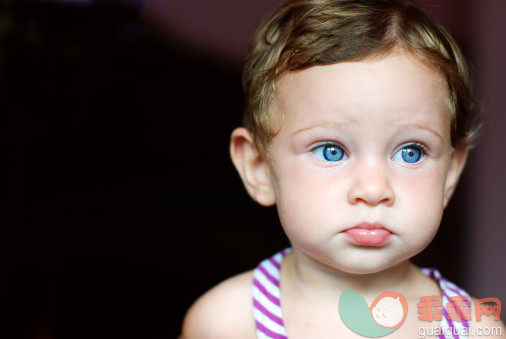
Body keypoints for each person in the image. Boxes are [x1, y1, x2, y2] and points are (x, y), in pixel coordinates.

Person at [181, 0, 506, 338]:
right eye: (331, 151)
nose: (373, 189)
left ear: (450, 173)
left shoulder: (473, 329)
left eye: (411, 152)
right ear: (259, 167)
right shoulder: (228, 322)